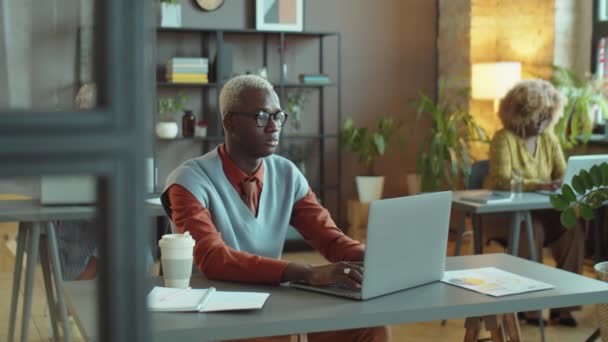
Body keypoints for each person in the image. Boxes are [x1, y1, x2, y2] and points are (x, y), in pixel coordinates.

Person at [161, 75, 390, 342]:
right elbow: (212, 258)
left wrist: (378, 259)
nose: (273, 127)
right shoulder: (188, 180)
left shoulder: (286, 173)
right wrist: (308, 273)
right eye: (261, 117)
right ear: (230, 122)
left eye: (278, 116)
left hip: (270, 299)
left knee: (370, 328)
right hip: (210, 308)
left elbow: (329, 238)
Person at [483, 79, 585, 327]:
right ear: (520, 114)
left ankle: (565, 306)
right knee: (533, 227)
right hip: (505, 216)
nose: (543, 123)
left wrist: (562, 181)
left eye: (547, 117)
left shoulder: (548, 138)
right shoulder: (503, 139)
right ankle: (529, 307)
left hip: (540, 211)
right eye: (539, 116)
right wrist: (539, 184)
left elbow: (563, 172)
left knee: (573, 227)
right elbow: (501, 179)